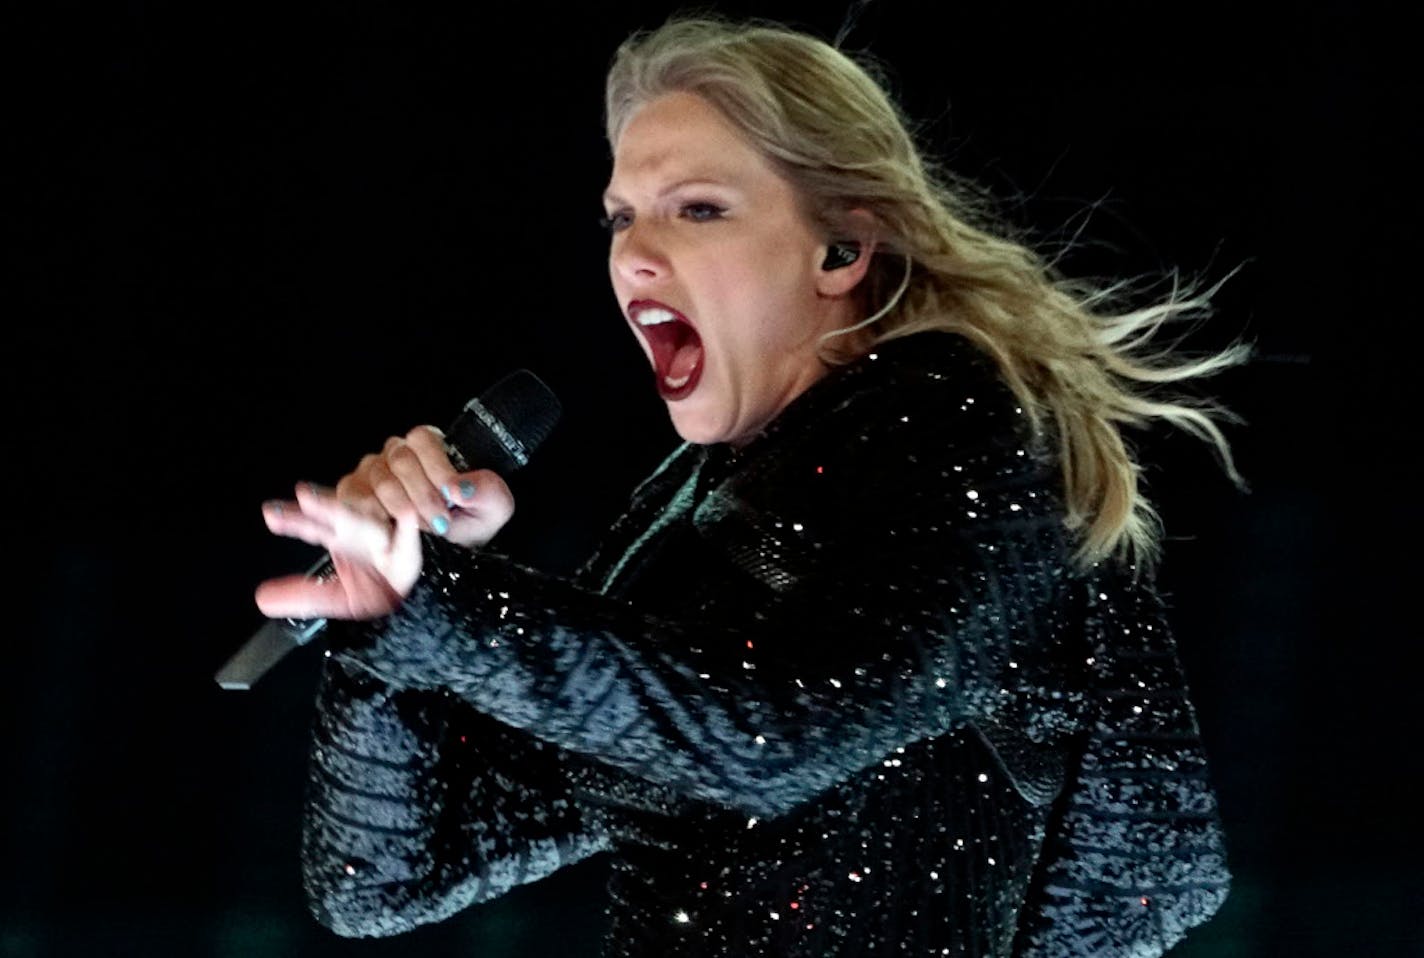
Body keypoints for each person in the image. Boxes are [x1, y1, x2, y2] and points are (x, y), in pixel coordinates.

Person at [256, 17, 1245, 957]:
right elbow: (377, 880)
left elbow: (777, 732)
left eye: (698, 209)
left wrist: (445, 611)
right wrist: (395, 602)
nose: (634, 254)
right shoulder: (695, 504)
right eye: (619, 218)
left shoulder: (957, 427)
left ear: (840, 250)